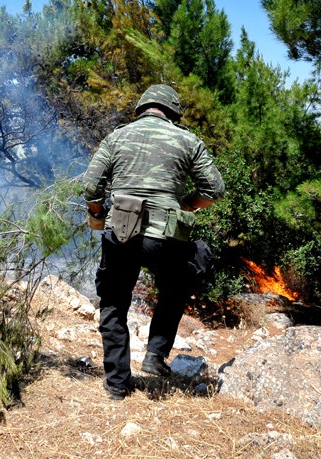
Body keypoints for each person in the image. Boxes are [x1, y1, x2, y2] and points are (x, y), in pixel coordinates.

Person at [82, 84, 225, 400]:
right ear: (172, 112)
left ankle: (118, 385)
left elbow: (90, 185)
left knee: (114, 303)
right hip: (167, 237)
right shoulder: (188, 140)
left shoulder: (117, 137)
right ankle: (155, 355)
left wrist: (96, 213)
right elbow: (214, 189)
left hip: (121, 231)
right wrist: (186, 204)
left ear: (142, 108)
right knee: (176, 286)